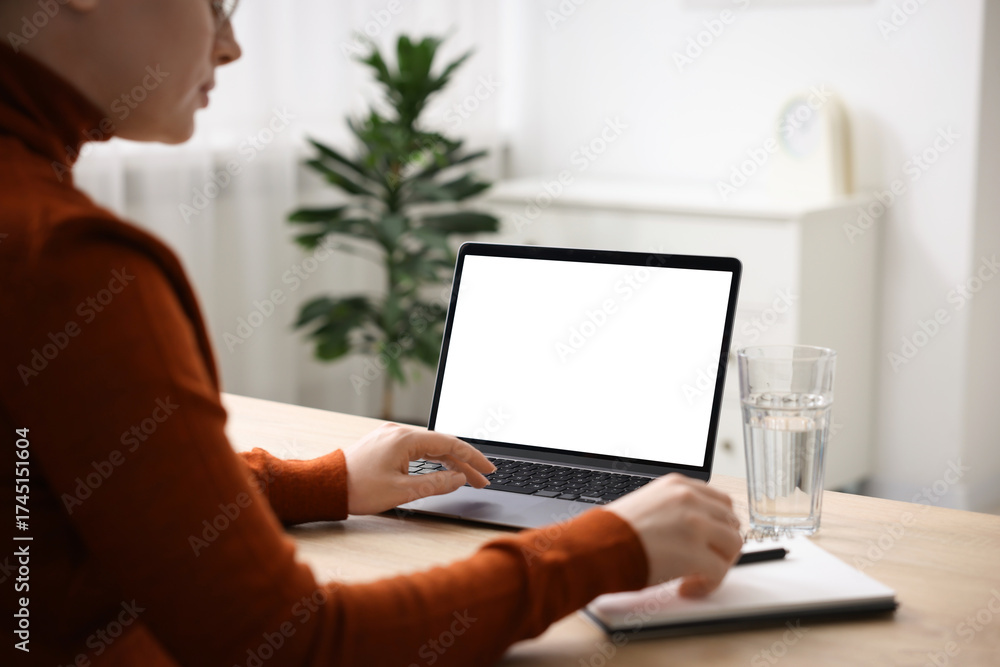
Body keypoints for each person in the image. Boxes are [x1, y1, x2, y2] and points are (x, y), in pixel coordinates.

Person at [0, 1, 743, 665]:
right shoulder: (69, 261)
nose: (231, 48)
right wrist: (602, 547)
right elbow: (296, 640)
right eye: (217, 4)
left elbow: (85, 492)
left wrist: (330, 480)